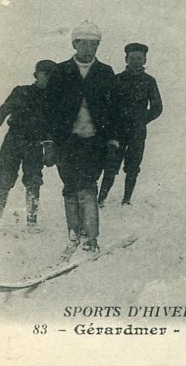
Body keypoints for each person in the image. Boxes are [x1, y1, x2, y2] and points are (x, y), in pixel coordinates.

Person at [43, 21, 117, 253]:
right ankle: (74, 234)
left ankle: (91, 238)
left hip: (94, 142)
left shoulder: (105, 72)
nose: (89, 48)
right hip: (67, 141)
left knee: (88, 186)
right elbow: (48, 109)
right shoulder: (61, 71)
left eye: (94, 44)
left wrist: (113, 142)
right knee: (70, 186)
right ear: (74, 44)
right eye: (84, 43)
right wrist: (48, 143)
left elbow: (115, 110)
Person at [0, 60, 56, 233]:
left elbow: (53, 126)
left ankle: (32, 223)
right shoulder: (21, 91)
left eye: (52, 75)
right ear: (36, 74)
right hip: (13, 141)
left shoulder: (54, 98)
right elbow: (2, 113)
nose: (47, 77)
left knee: (33, 182)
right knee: (4, 180)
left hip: (35, 144)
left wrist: (49, 147)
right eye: (44, 73)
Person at [98, 43, 163, 208]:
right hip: (116, 131)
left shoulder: (149, 81)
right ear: (126, 59)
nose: (136, 61)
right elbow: (106, 104)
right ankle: (101, 199)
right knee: (111, 165)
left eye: (139, 58)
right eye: (132, 58)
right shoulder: (117, 79)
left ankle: (126, 200)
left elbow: (157, 107)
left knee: (133, 165)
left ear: (145, 60)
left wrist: (142, 120)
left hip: (137, 131)